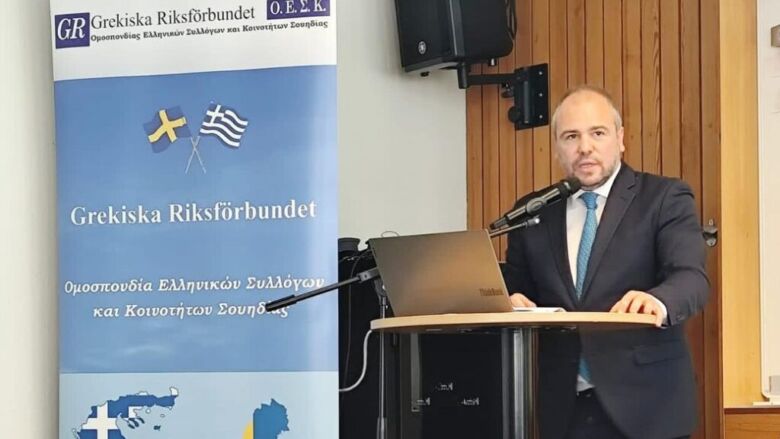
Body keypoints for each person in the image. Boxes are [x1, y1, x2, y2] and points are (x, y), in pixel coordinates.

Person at [502, 85, 709, 439]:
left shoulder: (664, 197)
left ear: (620, 138)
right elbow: (516, 287)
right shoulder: (533, 212)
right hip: (564, 409)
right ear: (557, 148)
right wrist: (510, 300)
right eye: (571, 136)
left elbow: (691, 278)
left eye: (597, 133)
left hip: (649, 407)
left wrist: (657, 301)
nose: (585, 147)